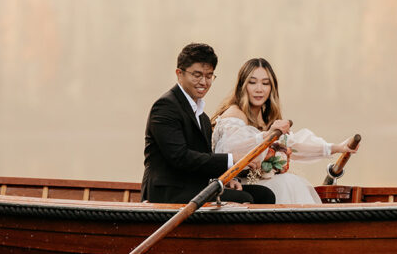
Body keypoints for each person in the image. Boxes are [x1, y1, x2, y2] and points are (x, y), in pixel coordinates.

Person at [211, 58, 358, 204]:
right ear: (243, 85)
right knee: (288, 183)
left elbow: (294, 145)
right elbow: (229, 149)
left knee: (290, 182)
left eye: (265, 83)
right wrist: (266, 137)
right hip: (237, 185)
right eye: (252, 82)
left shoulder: (265, 118)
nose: (259, 89)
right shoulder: (235, 113)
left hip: (261, 184)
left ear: (272, 87)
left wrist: (337, 147)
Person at [142, 43, 276, 205]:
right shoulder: (165, 107)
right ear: (179, 74)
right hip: (169, 192)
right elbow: (180, 157)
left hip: (196, 188)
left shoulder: (203, 118)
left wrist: (223, 179)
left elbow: (204, 159)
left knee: (264, 195)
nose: (203, 82)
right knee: (244, 199)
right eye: (197, 75)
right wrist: (232, 159)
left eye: (209, 76)